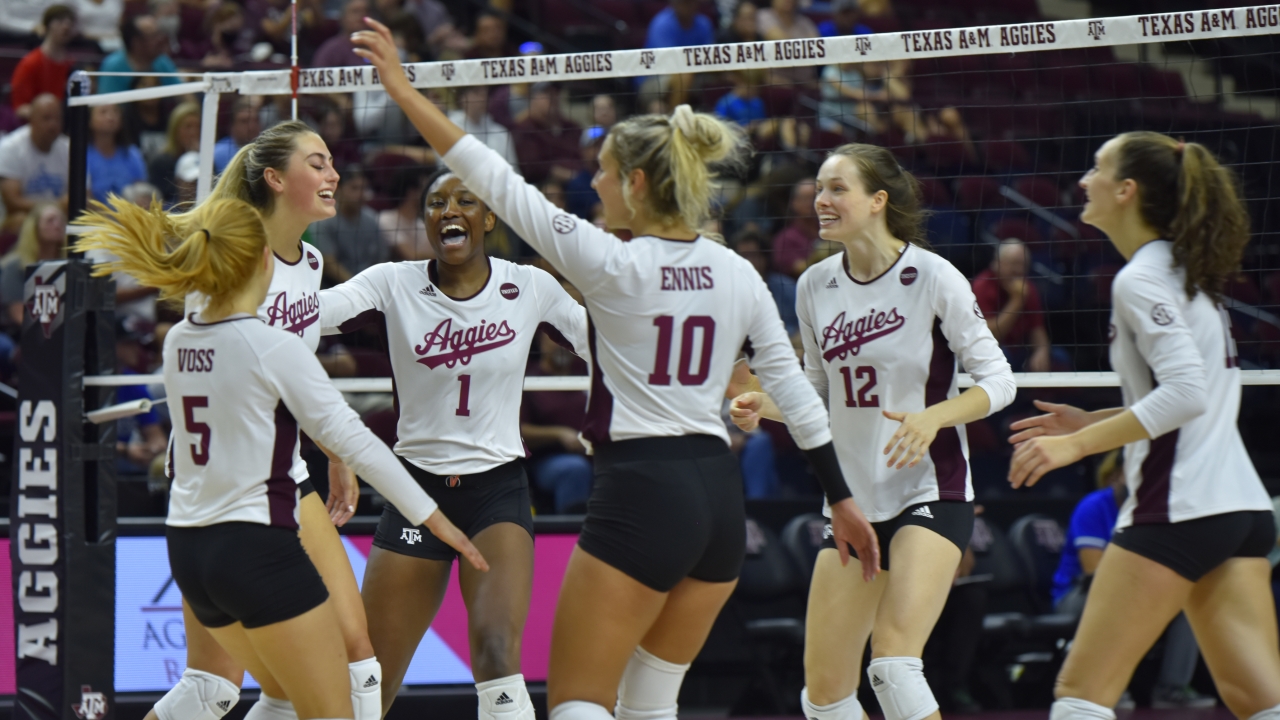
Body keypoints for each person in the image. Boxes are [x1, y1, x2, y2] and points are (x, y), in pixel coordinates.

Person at [350, 19, 880, 720]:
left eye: (602, 172)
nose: (594, 182)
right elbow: (800, 403)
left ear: (633, 182)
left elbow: (489, 175)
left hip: (642, 492)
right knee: (651, 701)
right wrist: (841, 499)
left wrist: (401, 87)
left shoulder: (609, 262)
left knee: (579, 703)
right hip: (719, 501)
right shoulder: (737, 272)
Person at [73, 191, 485, 720]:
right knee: (331, 701)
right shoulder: (271, 345)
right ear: (265, 260)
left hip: (190, 548)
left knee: (252, 695)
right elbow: (356, 441)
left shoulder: (179, 339)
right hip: (255, 545)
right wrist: (435, 519)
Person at [729, 143, 1016, 720]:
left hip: (929, 490)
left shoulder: (934, 277)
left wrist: (935, 416)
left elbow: (1000, 381)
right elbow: (818, 398)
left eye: (838, 188)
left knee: (892, 665)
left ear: (878, 200)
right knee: (825, 695)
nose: (821, 200)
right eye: (818, 187)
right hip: (854, 500)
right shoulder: (814, 285)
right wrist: (764, 402)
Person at [1007, 132, 1280, 720]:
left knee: (1079, 695)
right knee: (1259, 700)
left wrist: (1076, 445)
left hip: (1177, 507)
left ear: (1126, 190)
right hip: (1239, 509)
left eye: (1097, 168)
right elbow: (1197, 396)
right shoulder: (1186, 273)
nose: (1083, 180)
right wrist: (1098, 417)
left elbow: (1185, 395)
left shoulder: (1139, 280)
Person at [136, 120, 404, 720]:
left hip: (286, 473)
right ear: (277, 179)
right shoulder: (229, 257)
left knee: (356, 662)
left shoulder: (309, 261)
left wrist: (332, 451)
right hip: (224, 486)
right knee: (214, 688)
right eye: (318, 162)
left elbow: (293, 369)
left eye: (332, 160)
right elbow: (237, 370)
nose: (335, 173)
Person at [320, 166, 588, 720]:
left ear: (488, 218)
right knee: (371, 676)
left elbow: (607, 349)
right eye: (436, 202)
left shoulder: (529, 286)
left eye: (465, 200)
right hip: (415, 491)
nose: (449, 210)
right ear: (425, 221)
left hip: (496, 494)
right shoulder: (392, 282)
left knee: (494, 653)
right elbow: (312, 316)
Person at [1051, 449, 1216, 709]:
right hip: (1077, 594)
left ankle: (1171, 689)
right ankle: (1108, 689)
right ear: (1116, 476)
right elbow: (1092, 570)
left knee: (1186, 601)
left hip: (1137, 589)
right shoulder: (1093, 506)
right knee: (1118, 599)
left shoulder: (1155, 510)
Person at [522, 328, 593, 514]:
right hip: (548, 459)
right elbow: (518, 430)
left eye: (569, 340)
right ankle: (572, 533)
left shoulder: (589, 373)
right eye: (556, 339)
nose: (563, 346)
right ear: (541, 341)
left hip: (596, 454)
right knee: (574, 469)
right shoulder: (529, 379)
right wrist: (559, 434)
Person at [971, 239, 1053, 372]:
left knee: (1058, 357)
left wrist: (1041, 350)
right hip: (985, 352)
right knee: (1003, 356)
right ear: (997, 264)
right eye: (1013, 264)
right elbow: (989, 336)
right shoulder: (982, 286)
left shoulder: (1028, 289)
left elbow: (1037, 330)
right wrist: (1017, 301)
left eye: (1023, 265)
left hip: (1019, 350)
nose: (1018, 270)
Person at [0, 94, 69, 234]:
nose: (53, 124)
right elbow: (13, 202)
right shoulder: (9, 147)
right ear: (31, 120)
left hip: (61, 215)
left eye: (57, 119)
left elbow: (83, 195)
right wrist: (53, 206)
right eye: (46, 118)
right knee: (19, 219)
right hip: (26, 216)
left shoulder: (71, 148)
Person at [311, 168, 387, 283]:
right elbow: (329, 264)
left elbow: (381, 258)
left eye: (364, 188)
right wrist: (357, 287)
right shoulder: (323, 220)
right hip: (335, 288)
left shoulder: (371, 218)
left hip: (370, 284)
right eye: (354, 188)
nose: (361, 194)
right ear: (338, 189)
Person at [1, 203, 66, 330]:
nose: (57, 225)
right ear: (35, 227)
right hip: (19, 331)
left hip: (60, 330)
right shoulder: (15, 266)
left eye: (61, 221)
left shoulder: (68, 266)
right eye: (50, 220)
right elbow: (18, 314)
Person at [11, 5, 78, 118]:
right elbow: (20, 108)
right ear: (47, 26)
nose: (66, 26)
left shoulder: (72, 65)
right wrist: (45, 116)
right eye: (60, 21)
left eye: (70, 23)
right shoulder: (31, 63)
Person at [513, 83, 582, 187]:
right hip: (544, 188)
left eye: (556, 92)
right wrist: (569, 176)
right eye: (547, 93)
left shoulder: (572, 127)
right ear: (532, 98)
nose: (553, 97)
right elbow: (532, 169)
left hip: (580, 184)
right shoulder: (525, 129)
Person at [97, 14, 182, 95]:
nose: (160, 39)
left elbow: (183, 94)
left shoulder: (162, 61)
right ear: (136, 42)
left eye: (159, 33)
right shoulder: (113, 67)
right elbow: (106, 106)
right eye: (154, 35)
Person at [448, 86, 519, 171]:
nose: (483, 98)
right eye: (476, 92)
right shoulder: (449, 129)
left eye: (485, 93)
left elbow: (513, 171)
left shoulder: (501, 133)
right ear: (462, 97)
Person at [87, 104, 147, 203]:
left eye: (115, 111)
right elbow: (85, 196)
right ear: (89, 120)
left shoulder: (132, 153)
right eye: (103, 112)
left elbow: (141, 192)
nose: (111, 116)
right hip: (93, 215)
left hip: (129, 214)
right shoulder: (82, 155)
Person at [149, 101, 201, 204]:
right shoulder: (160, 162)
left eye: (198, 126)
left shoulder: (206, 160)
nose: (194, 132)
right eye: (188, 126)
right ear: (175, 130)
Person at [312, 0, 368, 68]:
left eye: (366, 11)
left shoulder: (378, 46)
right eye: (355, 11)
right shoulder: (331, 51)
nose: (361, 16)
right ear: (343, 17)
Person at [213, 99, 262, 174]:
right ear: (231, 126)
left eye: (256, 120)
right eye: (244, 121)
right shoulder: (217, 153)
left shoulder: (268, 149)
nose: (251, 126)